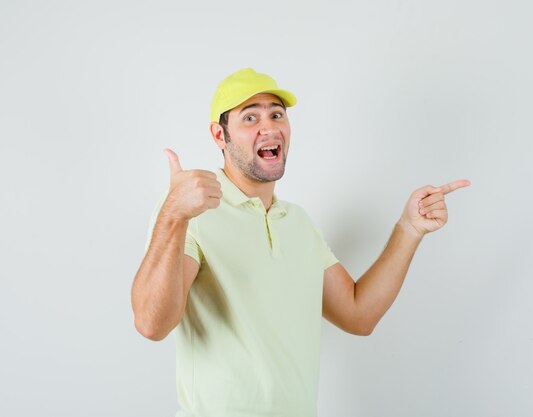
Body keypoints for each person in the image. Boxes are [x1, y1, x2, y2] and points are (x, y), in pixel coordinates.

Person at [131, 68, 470, 417]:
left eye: (277, 114)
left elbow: (359, 314)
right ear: (220, 135)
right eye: (250, 117)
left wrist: (409, 228)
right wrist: (173, 215)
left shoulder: (299, 224)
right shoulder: (192, 211)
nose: (269, 126)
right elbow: (151, 324)